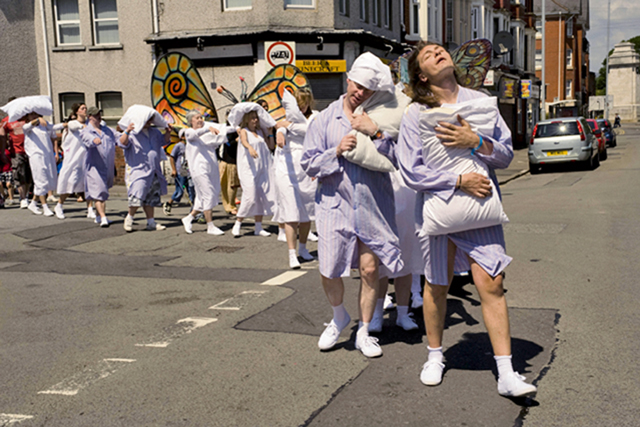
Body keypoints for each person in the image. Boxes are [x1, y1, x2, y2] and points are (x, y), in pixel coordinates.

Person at [396, 41, 536, 397]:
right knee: (437, 286)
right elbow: (410, 171)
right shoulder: (415, 114)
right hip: (440, 210)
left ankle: (506, 373)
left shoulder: (480, 102)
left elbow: (505, 155)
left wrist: (475, 140)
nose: (438, 53)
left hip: (481, 207)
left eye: (441, 49)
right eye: (428, 55)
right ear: (422, 75)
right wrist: (457, 180)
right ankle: (434, 355)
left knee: (492, 284)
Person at [301, 53, 403, 358]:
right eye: (358, 86)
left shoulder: (382, 116)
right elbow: (308, 164)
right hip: (335, 204)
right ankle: (338, 316)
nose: (361, 93)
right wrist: (336, 151)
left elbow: (400, 158)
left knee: (371, 269)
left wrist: (375, 131)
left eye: (368, 90)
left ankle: (364, 330)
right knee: (330, 269)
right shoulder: (324, 119)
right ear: (349, 80)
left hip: (372, 202)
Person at [273, 89, 318, 269]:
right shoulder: (285, 119)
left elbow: (310, 131)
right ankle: (292, 253)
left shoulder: (315, 116)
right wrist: (280, 131)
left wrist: (287, 126)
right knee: (291, 211)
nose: (301, 106)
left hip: (306, 168)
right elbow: (280, 127)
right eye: (298, 103)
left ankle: (303, 248)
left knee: (306, 211)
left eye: (304, 102)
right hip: (287, 166)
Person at [118, 106, 172, 232]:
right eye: (147, 119)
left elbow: (164, 141)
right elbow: (122, 143)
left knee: (151, 197)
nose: (149, 122)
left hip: (153, 170)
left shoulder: (154, 132)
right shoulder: (132, 134)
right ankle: (129, 218)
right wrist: (127, 131)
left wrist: (168, 132)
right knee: (137, 194)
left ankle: (151, 221)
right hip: (139, 170)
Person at [228, 103, 277, 238]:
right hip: (248, 168)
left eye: (256, 118)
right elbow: (244, 141)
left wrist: (271, 134)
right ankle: (238, 222)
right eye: (252, 118)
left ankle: (258, 227)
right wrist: (250, 148)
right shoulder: (244, 131)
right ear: (247, 120)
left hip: (262, 168)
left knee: (260, 196)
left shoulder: (261, 132)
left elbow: (271, 146)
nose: (255, 120)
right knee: (250, 196)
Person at [179, 110, 226, 236]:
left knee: (204, 197)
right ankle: (210, 225)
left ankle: (189, 218)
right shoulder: (189, 132)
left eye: (201, 118)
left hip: (210, 168)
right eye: (197, 118)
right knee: (208, 195)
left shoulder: (207, 133)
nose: (200, 120)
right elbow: (193, 135)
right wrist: (207, 129)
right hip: (198, 169)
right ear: (190, 121)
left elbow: (224, 129)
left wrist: (237, 128)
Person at [54, 103, 94, 220]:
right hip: (73, 159)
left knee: (88, 184)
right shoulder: (73, 123)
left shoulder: (89, 123)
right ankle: (59, 205)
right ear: (77, 112)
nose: (85, 110)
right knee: (70, 183)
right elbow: (76, 127)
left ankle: (90, 209)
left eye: (86, 108)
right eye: (82, 108)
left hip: (86, 158)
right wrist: (89, 128)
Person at [22, 113, 65, 217]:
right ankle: (45, 206)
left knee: (47, 180)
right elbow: (29, 125)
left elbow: (54, 127)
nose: (34, 117)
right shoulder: (27, 127)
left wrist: (67, 124)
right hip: (36, 156)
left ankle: (33, 203)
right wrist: (37, 120)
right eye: (32, 115)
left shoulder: (44, 126)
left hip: (47, 155)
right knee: (41, 180)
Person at [80, 107, 117, 227]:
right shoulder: (86, 131)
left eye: (99, 114)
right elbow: (87, 139)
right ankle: (103, 217)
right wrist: (93, 140)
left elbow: (119, 137)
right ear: (90, 117)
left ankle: (98, 216)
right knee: (99, 191)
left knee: (102, 192)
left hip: (106, 166)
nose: (99, 117)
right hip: (94, 167)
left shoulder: (107, 130)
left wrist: (128, 132)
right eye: (96, 115)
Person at [0, 99, 31, 208]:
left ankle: (26, 195)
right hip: (16, 151)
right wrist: (3, 152)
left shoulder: (27, 118)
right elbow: (3, 137)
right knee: (19, 173)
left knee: (28, 174)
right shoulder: (6, 121)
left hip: (30, 150)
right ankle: (23, 197)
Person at [162, 136, 195, 215]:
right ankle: (168, 204)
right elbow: (172, 157)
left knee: (191, 191)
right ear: (182, 137)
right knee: (180, 191)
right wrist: (174, 169)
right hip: (181, 171)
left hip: (189, 172)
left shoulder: (191, 146)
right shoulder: (178, 146)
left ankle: (193, 210)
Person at [218, 111, 240, 215]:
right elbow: (227, 144)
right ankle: (227, 205)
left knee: (232, 185)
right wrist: (236, 140)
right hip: (226, 160)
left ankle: (231, 206)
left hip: (234, 161)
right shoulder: (226, 130)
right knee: (224, 185)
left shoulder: (239, 128)